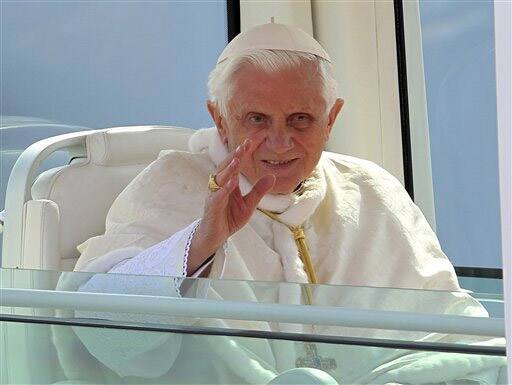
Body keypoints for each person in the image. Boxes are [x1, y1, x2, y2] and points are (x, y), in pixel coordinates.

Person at [53, 23, 506, 384]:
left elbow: (457, 334)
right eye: (257, 119)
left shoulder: (372, 189)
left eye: (300, 119)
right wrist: (199, 244)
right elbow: (102, 331)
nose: (279, 141)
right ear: (220, 118)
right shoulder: (172, 185)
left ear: (331, 119)